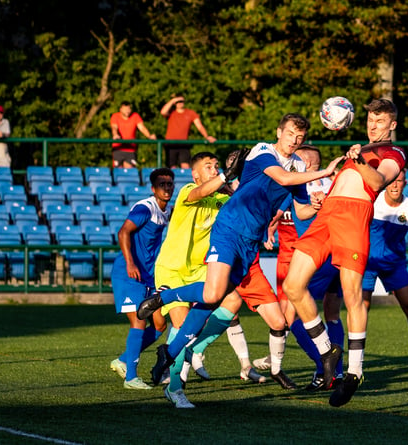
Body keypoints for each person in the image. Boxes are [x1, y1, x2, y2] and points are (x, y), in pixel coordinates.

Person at [137, 113, 343, 390]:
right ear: (279, 131)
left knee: (212, 298)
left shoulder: (298, 167)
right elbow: (281, 177)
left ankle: (169, 352)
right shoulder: (263, 151)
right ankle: (167, 299)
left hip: (251, 242)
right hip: (230, 229)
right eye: (291, 134)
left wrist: (318, 204)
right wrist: (326, 172)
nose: (295, 140)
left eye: (300, 137)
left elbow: (302, 210)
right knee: (213, 294)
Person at [283, 98, 406, 408]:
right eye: (370, 120)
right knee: (292, 286)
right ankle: (327, 350)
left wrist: (360, 161)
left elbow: (378, 180)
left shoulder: (393, 153)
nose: (373, 125)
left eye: (380, 121)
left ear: (392, 124)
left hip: (354, 217)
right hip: (327, 215)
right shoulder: (357, 151)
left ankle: (354, 372)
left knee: (352, 297)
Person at [151, 152, 269, 409]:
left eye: (216, 166)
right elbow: (200, 193)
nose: (214, 169)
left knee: (233, 301)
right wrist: (226, 176)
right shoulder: (187, 191)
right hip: (172, 270)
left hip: (201, 270)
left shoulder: (224, 197)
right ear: (195, 174)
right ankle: (175, 388)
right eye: (208, 167)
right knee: (182, 324)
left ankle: (193, 347)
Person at [258, 145, 344, 391]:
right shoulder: (335, 184)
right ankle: (341, 370)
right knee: (333, 314)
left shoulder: (304, 185)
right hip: (337, 255)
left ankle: (325, 369)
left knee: (293, 318)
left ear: (306, 164)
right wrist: (273, 226)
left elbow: (296, 211)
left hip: (315, 258)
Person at [362, 168, 408, 379]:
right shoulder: (373, 202)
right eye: (392, 181)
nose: (395, 185)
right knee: (361, 309)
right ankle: (355, 364)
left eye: (400, 181)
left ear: (405, 183)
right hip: (368, 263)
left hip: (395, 265)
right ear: (385, 183)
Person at [110, 168, 174, 390]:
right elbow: (123, 232)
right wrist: (130, 263)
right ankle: (131, 378)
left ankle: (123, 360)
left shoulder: (167, 210)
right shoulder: (145, 208)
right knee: (139, 320)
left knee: (159, 324)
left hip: (148, 275)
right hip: (128, 274)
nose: (167, 188)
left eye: (169, 184)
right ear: (153, 188)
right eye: (162, 184)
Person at [160, 95, 217, 169]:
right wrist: (173, 100)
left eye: (181, 101)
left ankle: (186, 181)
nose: (180, 103)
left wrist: (206, 136)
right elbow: (163, 112)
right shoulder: (172, 113)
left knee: (186, 167)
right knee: (172, 167)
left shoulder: (190, 113)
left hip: (183, 144)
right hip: (171, 144)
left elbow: (199, 126)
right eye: (178, 102)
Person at [110, 101, 157, 168]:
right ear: (121, 109)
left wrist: (149, 136)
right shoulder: (115, 116)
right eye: (125, 109)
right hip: (118, 148)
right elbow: (114, 127)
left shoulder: (135, 116)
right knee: (118, 171)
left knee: (129, 172)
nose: (127, 111)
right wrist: (115, 134)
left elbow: (142, 127)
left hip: (131, 149)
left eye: (129, 109)